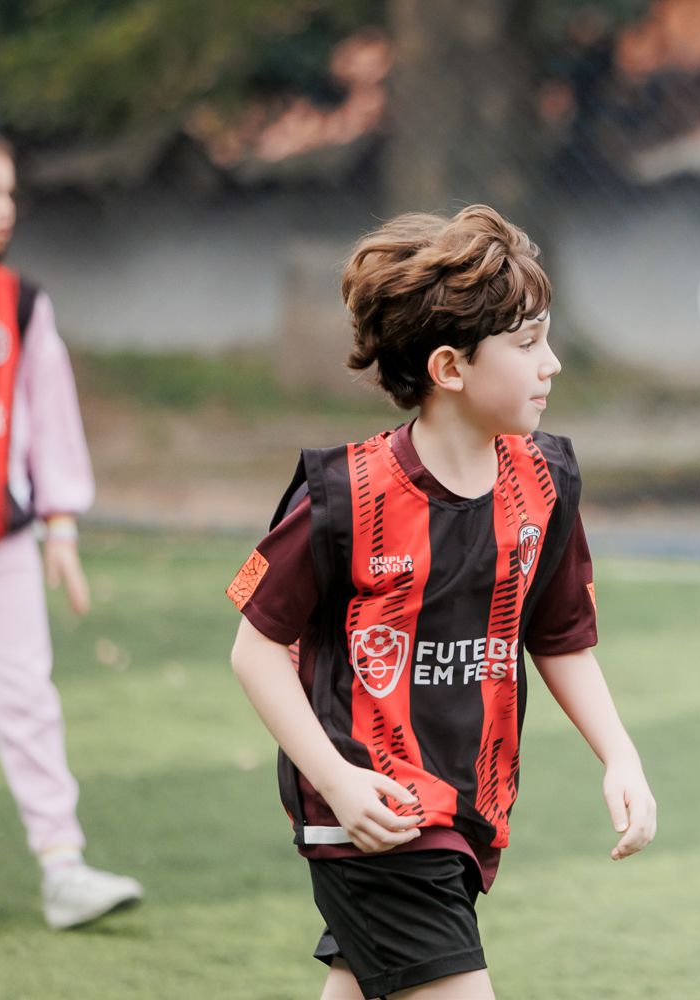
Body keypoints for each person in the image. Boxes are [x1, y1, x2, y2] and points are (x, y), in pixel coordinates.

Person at [226, 205, 656, 999]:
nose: (551, 363)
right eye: (526, 345)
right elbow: (255, 650)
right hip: (376, 816)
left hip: (464, 815)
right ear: (451, 369)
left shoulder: (547, 484)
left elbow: (559, 637)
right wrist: (341, 782)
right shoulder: (343, 497)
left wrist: (619, 754)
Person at [0, 131, 144, 930]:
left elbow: (49, 423)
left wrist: (61, 530)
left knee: (28, 701)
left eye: (8, 192)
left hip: (2, 548)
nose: (3, 208)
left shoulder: (22, 305)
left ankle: (62, 867)